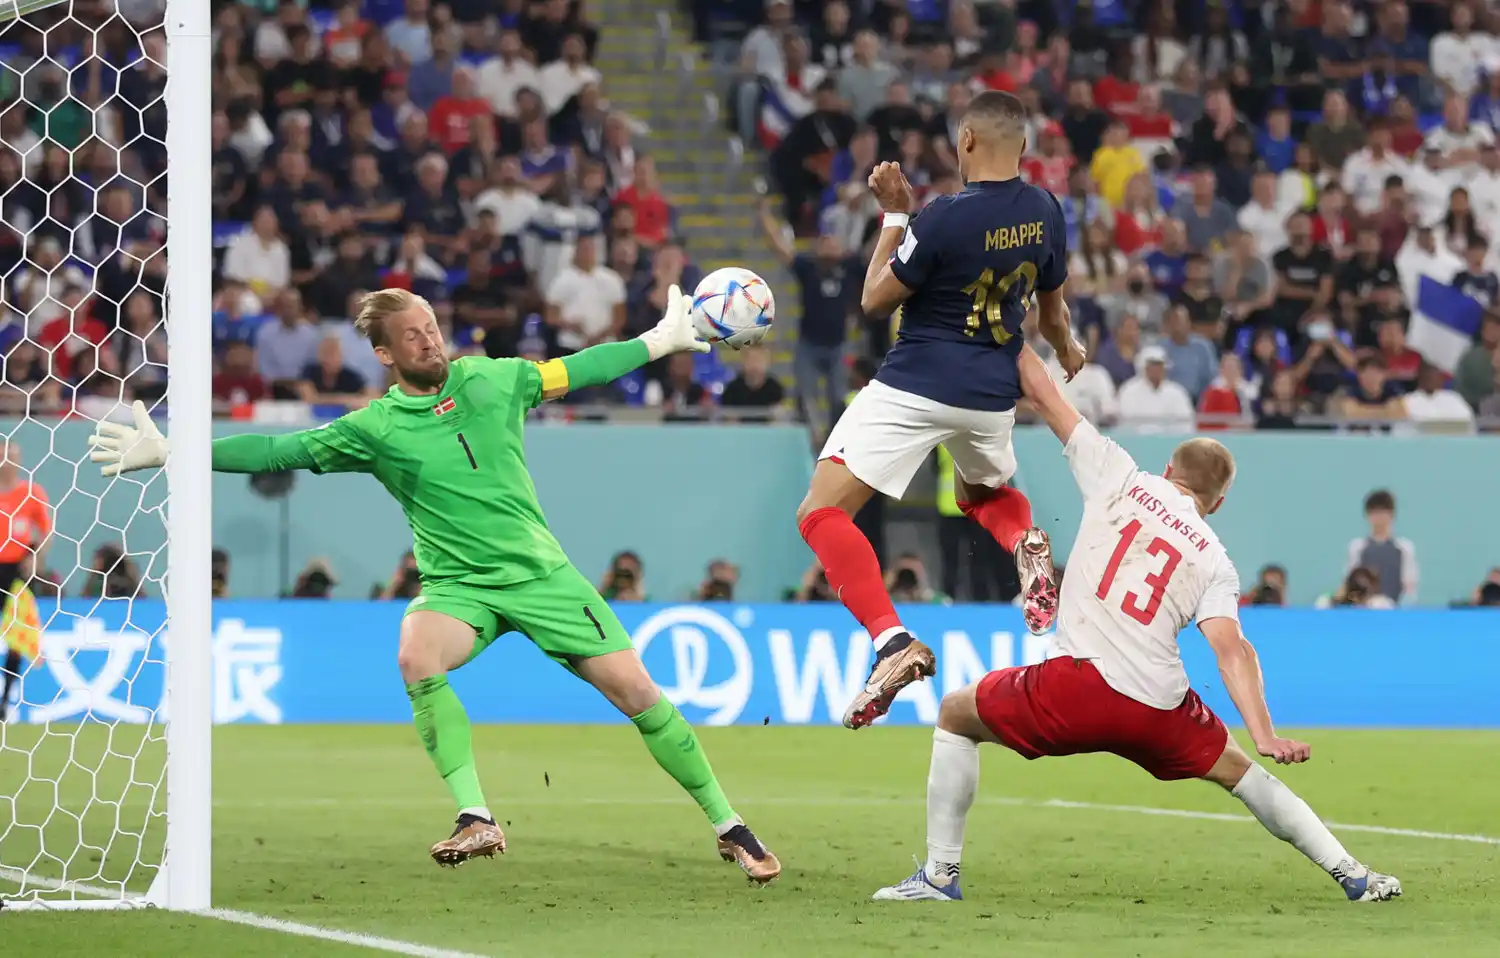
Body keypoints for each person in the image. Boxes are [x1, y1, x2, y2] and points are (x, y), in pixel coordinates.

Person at [88, 287, 780, 883]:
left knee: (639, 695)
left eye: (432, 327)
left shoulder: (491, 379)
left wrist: (659, 342)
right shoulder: (376, 429)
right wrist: (176, 451)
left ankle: (729, 823)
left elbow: (578, 369)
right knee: (415, 652)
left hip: (542, 576)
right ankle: (476, 815)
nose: (429, 340)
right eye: (412, 335)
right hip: (459, 588)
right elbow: (278, 449)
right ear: (385, 354)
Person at [872, 345, 1401, 905]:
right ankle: (1354, 875)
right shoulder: (1216, 560)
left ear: (1169, 470)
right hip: (1157, 707)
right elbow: (1232, 650)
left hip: (1074, 688)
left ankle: (939, 877)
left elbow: (1046, 396)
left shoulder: (1120, 475)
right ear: (1216, 504)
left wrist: (1003, 328)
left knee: (956, 714)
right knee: (1244, 774)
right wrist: (1264, 732)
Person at [797, 90, 1084, 730]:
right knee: (982, 495)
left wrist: (895, 217)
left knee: (820, 512)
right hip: (990, 396)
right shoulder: (1045, 210)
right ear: (1025, 148)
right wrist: (1066, 348)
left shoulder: (942, 217)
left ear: (968, 143)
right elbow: (1053, 311)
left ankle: (891, 643)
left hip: (917, 382)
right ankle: (1025, 543)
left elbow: (874, 299)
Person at [0, 441, 49, 722]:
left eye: (13, 456)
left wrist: (35, 559)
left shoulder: (31, 493)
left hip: (18, 572)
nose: (8, 461)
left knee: (16, 637)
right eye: (4, 455)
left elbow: (45, 532)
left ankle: (5, 700)